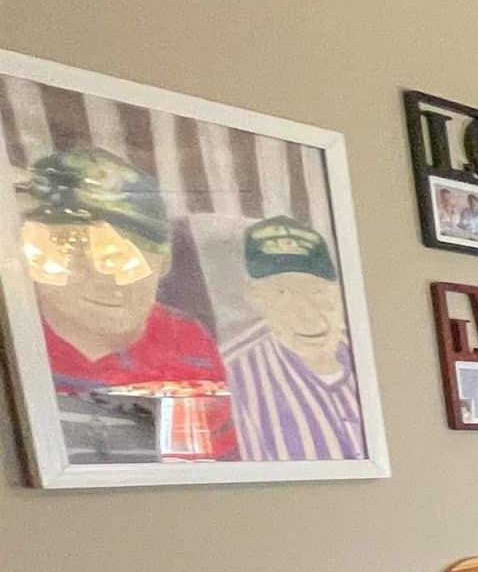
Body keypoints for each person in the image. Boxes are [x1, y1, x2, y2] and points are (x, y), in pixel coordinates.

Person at [18, 146, 234, 462]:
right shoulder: (17, 338)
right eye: (73, 250)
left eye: (129, 254)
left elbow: (201, 466)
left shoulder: (188, 342)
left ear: (164, 260)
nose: (107, 279)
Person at [223, 215, 366, 461]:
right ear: (255, 297)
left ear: (339, 291)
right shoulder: (232, 374)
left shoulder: (370, 359)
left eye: (316, 291)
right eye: (281, 294)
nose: (306, 313)